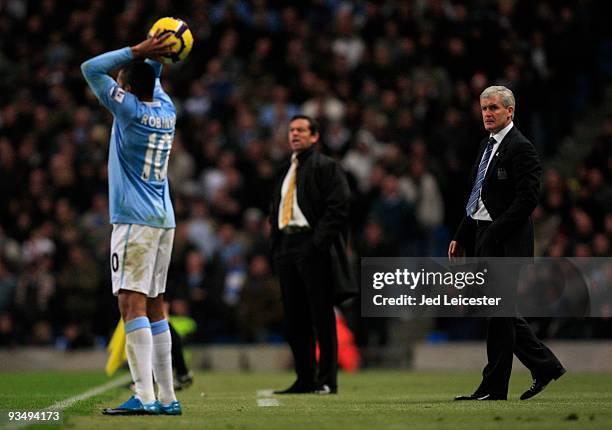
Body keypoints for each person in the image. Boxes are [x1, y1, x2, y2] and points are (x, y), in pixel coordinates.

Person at [81, 32, 182, 415]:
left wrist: (137, 50)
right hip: (163, 219)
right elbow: (150, 78)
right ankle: (168, 397)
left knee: (130, 303)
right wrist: (160, 53)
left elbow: (90, 68)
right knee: (155, 304)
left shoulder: (130, 112)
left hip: (135, 222)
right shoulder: (166, 108)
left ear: (124, 88)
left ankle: (143, 396)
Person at [449, 86, 565, 401]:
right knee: (501, 313)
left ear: (510, 111)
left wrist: (494, 232)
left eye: (494, 108)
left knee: (499, 317)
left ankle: (495, 387)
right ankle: (544, 366)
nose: (487, 113)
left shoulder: (520, 147)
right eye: (484, 108)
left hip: (505, 244)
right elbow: (478, 195)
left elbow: (528, 199)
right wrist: (461, 234)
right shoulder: (487, 145)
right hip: (485, 238)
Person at [269, 115, 354, 395]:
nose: (294, 134)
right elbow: (277, 209)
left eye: (301, 130)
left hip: (311, 245)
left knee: (321, 315)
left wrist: (317, 243)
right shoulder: (285, 170)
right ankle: (304, 378)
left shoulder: (326, 167)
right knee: (295, 319)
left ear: (314, 136)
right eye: (291, 129)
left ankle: (327, 379)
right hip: (287, 247)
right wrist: (277, 245)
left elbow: (339, 207)